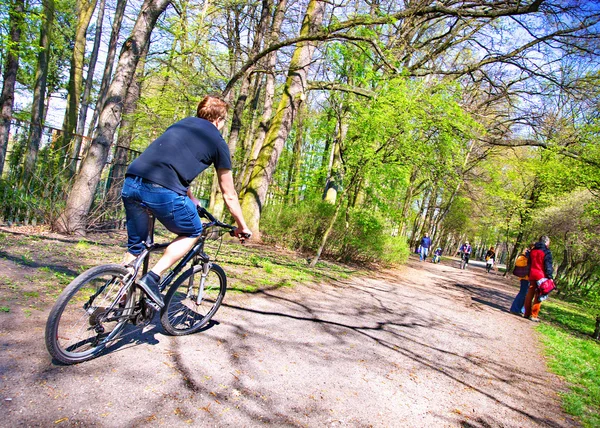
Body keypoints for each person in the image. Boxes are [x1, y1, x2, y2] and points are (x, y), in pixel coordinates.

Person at [121, 95, 252, 308]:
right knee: (193, 230)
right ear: (219, 120)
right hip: (161, 191)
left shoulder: (180, 125)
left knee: (136, 247)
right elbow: (229, 194)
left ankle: (120, 298)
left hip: (131, 182)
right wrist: (241, 226)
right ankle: (153, 277)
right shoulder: (218, 142)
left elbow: (169, 163)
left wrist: (191, 198)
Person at [523, 236, 554, 322]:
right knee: (539, 295)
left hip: (532, 274)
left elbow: (529, 263)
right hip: (541, 276)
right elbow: (548, 265)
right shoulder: (546, 252)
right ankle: (534, 315)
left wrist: (529, 273)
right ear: (546, 242)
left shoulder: (533, 250)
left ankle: (526, 313)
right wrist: (550, 277)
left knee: (529, 294)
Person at [510, 245, 532, 315]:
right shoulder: (524, 256)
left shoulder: (530, 256)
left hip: (530, 277)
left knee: (527, 294)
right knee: (523, 293)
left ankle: (521, 310)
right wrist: (528, 260)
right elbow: (519, 263)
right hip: (525, 277)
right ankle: (515, 309)